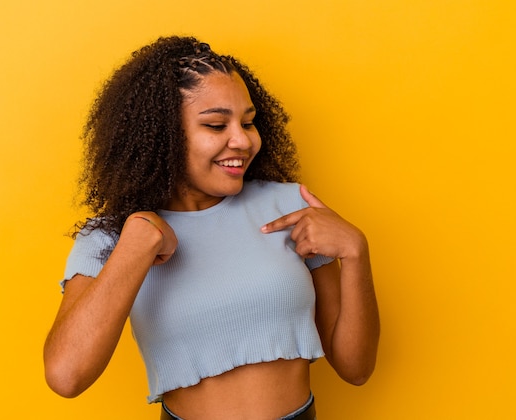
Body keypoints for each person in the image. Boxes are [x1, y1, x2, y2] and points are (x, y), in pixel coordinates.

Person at [43, 35, 380, 420]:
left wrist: (356, 252)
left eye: (249, 122)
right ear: (162, 137)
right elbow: (66, 377)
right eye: (217, 125)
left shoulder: (291, 207)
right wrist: (134, 246)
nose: (243, 140)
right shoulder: (111, 236)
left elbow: (356, 369)